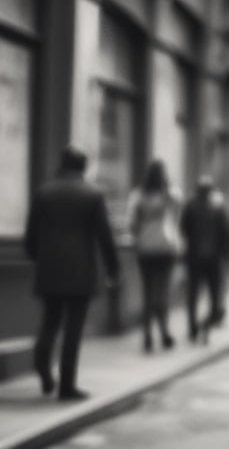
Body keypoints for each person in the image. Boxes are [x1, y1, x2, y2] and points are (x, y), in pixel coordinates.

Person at [24, 147, 120, 401]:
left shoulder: (43, 192)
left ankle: (43, 369)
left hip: (50, 268)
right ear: (83, 167)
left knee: (49, 322)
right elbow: (104, 236)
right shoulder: (93, 194)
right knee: (73, 330)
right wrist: (113, 268)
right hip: (80, 271)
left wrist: (38, 257)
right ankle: (67, 387)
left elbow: (31, 234)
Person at [127, 160, 182, 353]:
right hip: (165, 247)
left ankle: (147, 336)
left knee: (148, 292)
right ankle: (165, 333)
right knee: (162, 292)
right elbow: (177, 212)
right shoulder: (169, 195)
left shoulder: (138, 196)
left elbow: (132, 224)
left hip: (145, 248)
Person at [180, 175, 229, 343]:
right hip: (213, 259)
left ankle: (193, 327)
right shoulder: (217, 208)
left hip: (195, 258)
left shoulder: (190, 206)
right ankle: (205, 324)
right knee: (213, 295)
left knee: (193, 293)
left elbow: (184, 228)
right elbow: (225, 232)